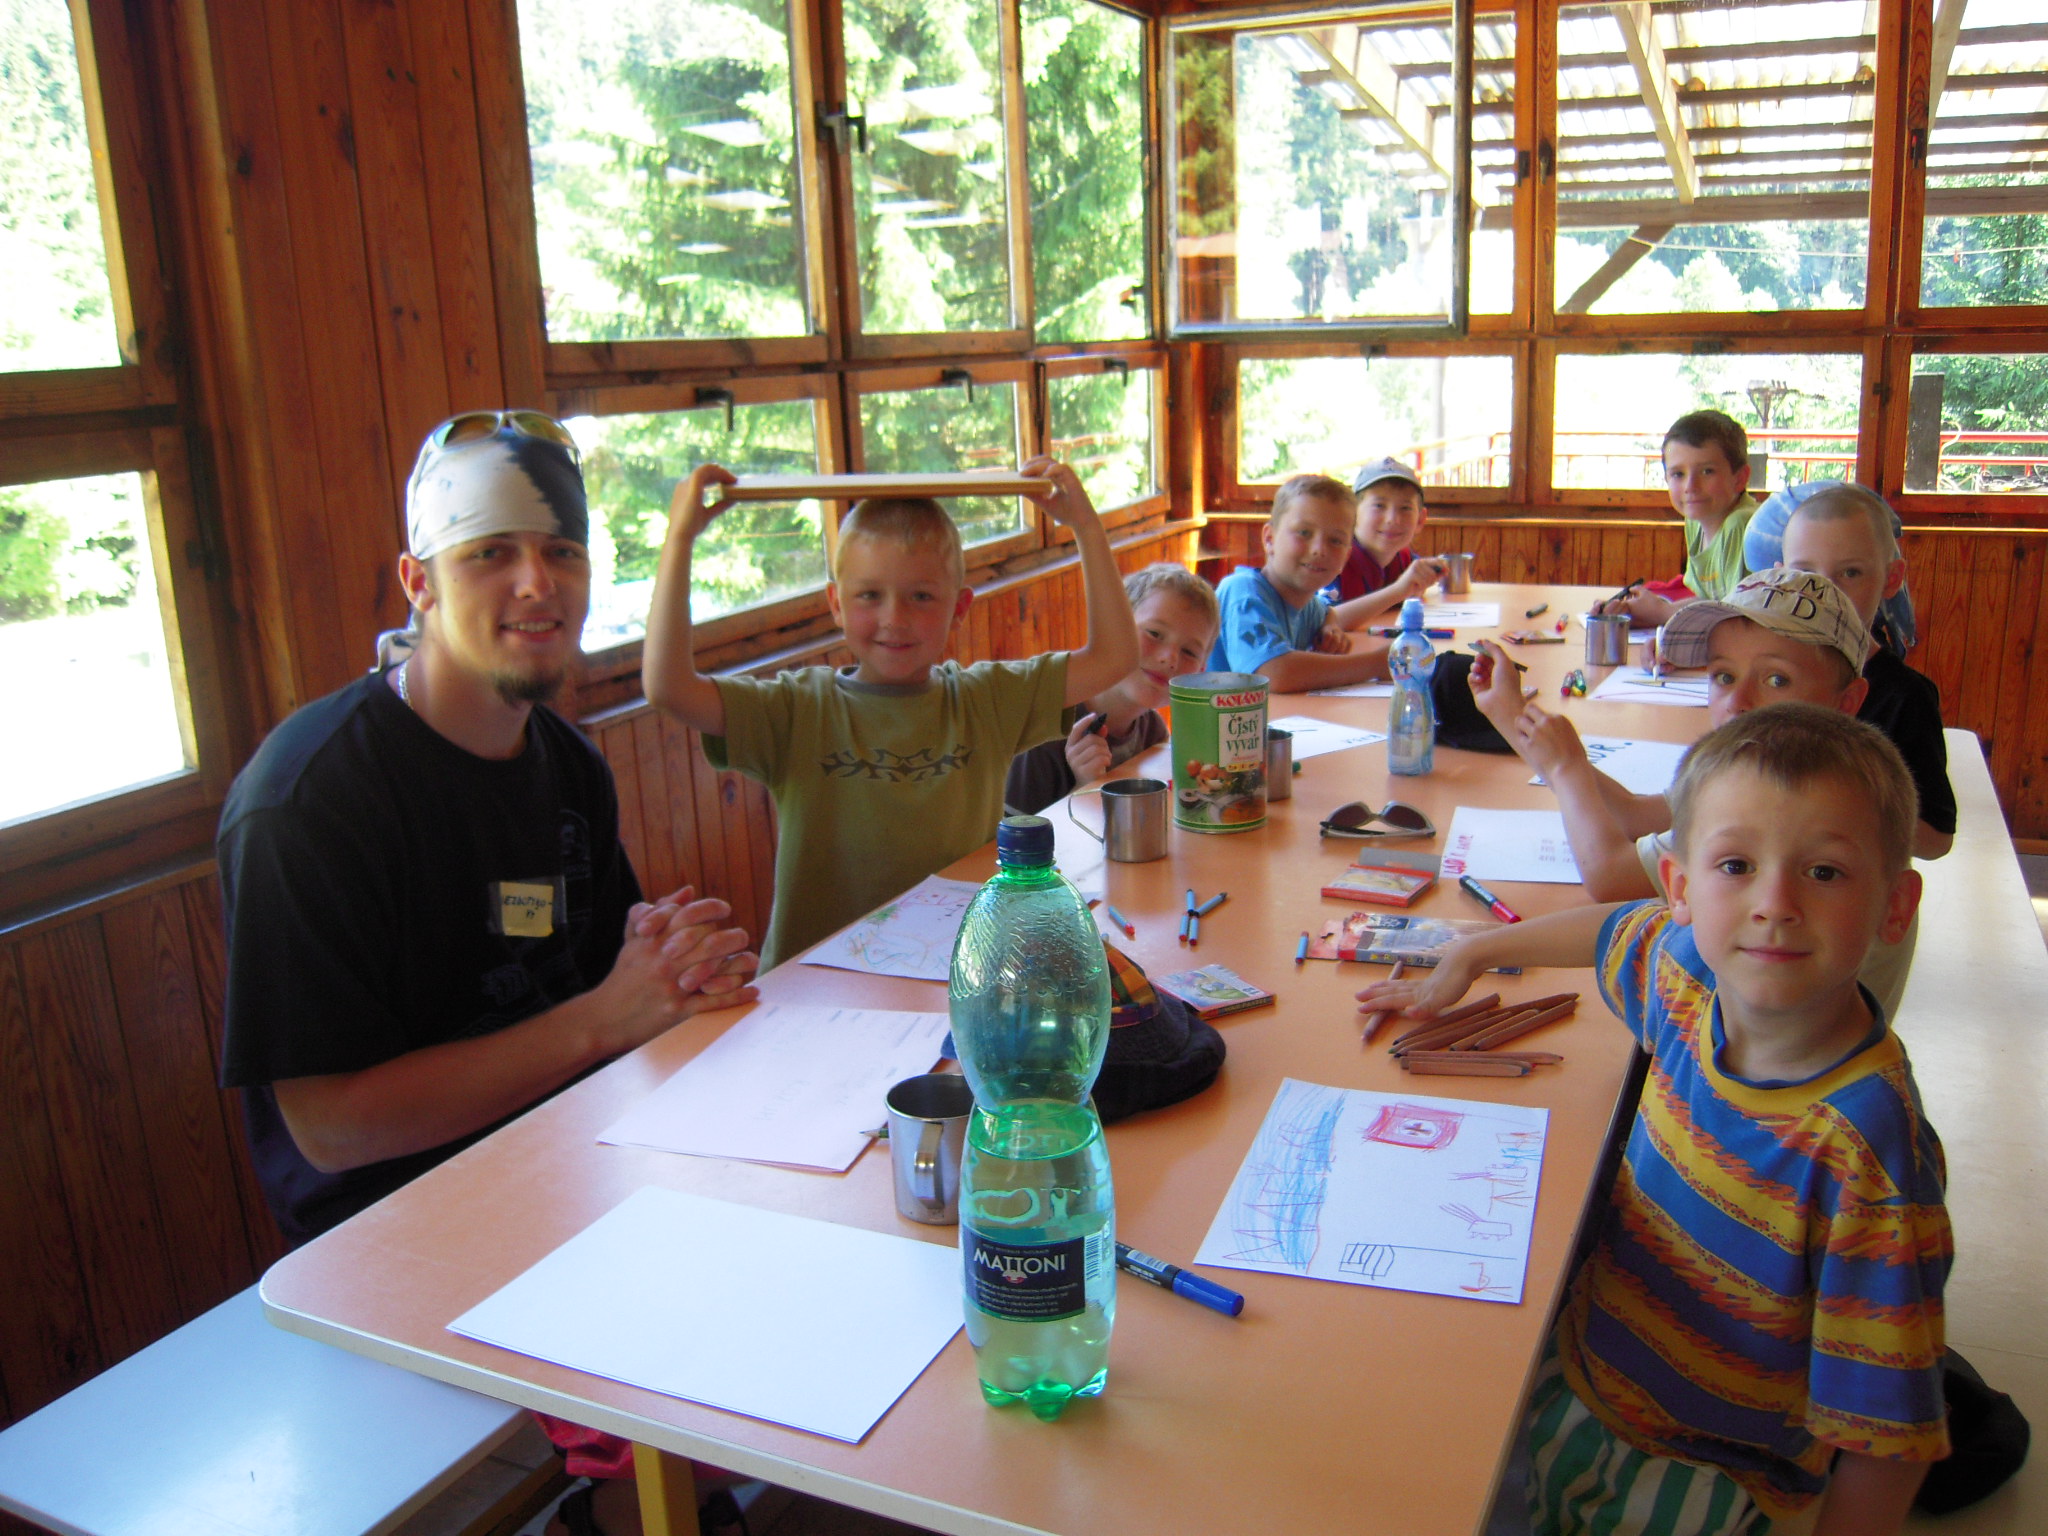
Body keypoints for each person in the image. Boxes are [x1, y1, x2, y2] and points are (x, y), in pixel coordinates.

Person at [217, 411, 760, 1536]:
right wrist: (602, 1021)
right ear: (418, 582)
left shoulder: (562, 762)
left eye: (562, 551)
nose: (536, 584)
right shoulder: (307, 802)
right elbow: (330, 1130)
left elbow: (611, 990)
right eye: (490, 553)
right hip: (391, 1233)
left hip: (565, 1169)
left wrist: (676, 967)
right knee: (685, 1389)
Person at [1359, 704, 1950, 1536]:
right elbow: (1614, 927)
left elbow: (1888, 1440)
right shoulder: (1688, 977)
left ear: (1896, 906)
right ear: (1679, 887)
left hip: (1705, 1473)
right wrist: (1472, 952)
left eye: (1825, 872)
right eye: (1736, 864)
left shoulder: (1870, 1153)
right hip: (1584, 1379)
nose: (1774, 903)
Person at [644, 459, 1138, 971]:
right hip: (814, 988)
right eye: (869, 595)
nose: (894, 619)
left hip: (953, 976)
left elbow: (1115, 657)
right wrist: (679, 539)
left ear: (959, 608)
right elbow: (668, 689)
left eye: (921, 596)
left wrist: (1085, 525)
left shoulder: (986, 700)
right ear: (836, 604)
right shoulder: (797, 710)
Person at [1470, 568, 1918, 1019]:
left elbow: (1611, 877)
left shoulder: (1791, 799)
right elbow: (1632, 814)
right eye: (1724, 676)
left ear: (1847, 701)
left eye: (1776, 680)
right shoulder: (1748, 773)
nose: (1738, 701)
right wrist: (1512, 716)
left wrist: (1566, 768)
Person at [1779, 482, 1954, 858]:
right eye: (1805, 573)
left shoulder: (1905, 698)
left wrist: (1836, 804)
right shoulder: (1770, 670)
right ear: (1780, 579)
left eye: (1851, 573)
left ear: (1891, 579)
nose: (1825, 592)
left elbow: (1936, 839)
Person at [1004, 562, 1218, 815]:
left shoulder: (1153, 733)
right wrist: (1085, 787)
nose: (1169, 658)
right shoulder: (1044, 732)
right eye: (1154, 633)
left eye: (1189, 652)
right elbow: (1011, 836)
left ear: (1200, 671)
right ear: (1112, 629)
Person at [1207, 473, 1393, 691]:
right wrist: (1375, 664)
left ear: (1346, 556)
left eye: (1335, 540)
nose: (1319, 549)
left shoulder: (1306, 604)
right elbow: (1274, 673)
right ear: (1269, 539)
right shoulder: (1242, 591)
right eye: (1304, 533)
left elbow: (1328, 613)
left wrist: (1330, 627)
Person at [1598, 410, 1760, 629]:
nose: (1690, 487)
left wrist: (1663, 612)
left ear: (1740, 478)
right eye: (1678, 474)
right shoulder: (1696, 521)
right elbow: (1708, 601)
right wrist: (1638, 614)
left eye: (1707, 471)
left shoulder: (1741, 524)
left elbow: (1736, 619)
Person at [1329, 456, 1445, 619]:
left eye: (1405, 508)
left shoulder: (1405, 560)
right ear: (1352, 514)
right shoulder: (1332, 561)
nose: (1392, 519)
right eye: (1379, 506)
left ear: (1420, 520)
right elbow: (1322, 622)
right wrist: (1398, 591)